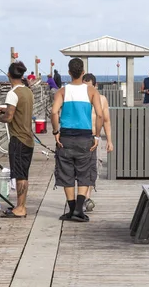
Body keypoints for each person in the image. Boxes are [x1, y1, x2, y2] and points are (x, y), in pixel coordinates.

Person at [51, 58, 104, 222]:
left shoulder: (62, 91)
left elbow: (53, 113)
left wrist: (55, 131)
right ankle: (79, 211)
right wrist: (97, 135)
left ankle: (72, 209)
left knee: (66, 173)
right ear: (83, 72)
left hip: (66, 136)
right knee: (84, 172)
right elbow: (100, 114)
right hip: (85, 137)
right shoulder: (91, 91)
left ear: (69, 72)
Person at [0, 61, 34, 218]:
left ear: (9, 74)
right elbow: (18, 110)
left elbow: (9, 118)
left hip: (18, 139)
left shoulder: (12, 93)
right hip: (28, 139)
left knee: (20, 175)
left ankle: (21, 208)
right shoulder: (27, 91)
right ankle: (20, 206)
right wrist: (3, 108)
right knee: (24, 174)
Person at [82, 73, 113, 212]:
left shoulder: (102, 99)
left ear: (95, 85)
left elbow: (106, 120)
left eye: (90, 87)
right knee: (81, 169)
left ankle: (86, 198)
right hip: (81, 138)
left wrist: (109, 141)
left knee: (94, 168)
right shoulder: (79, 100)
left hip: (96, 137)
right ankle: (83, 198)